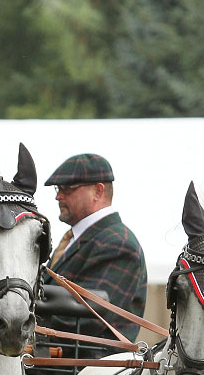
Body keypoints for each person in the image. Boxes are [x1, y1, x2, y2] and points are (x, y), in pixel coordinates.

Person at [42, 153, 147, 357]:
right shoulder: (83, 238)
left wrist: (21, 318)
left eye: (67, 188)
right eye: (58, 189)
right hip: (60, 366)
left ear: (98, 191)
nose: (58, 196)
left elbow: (89, 318)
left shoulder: (118, 244)